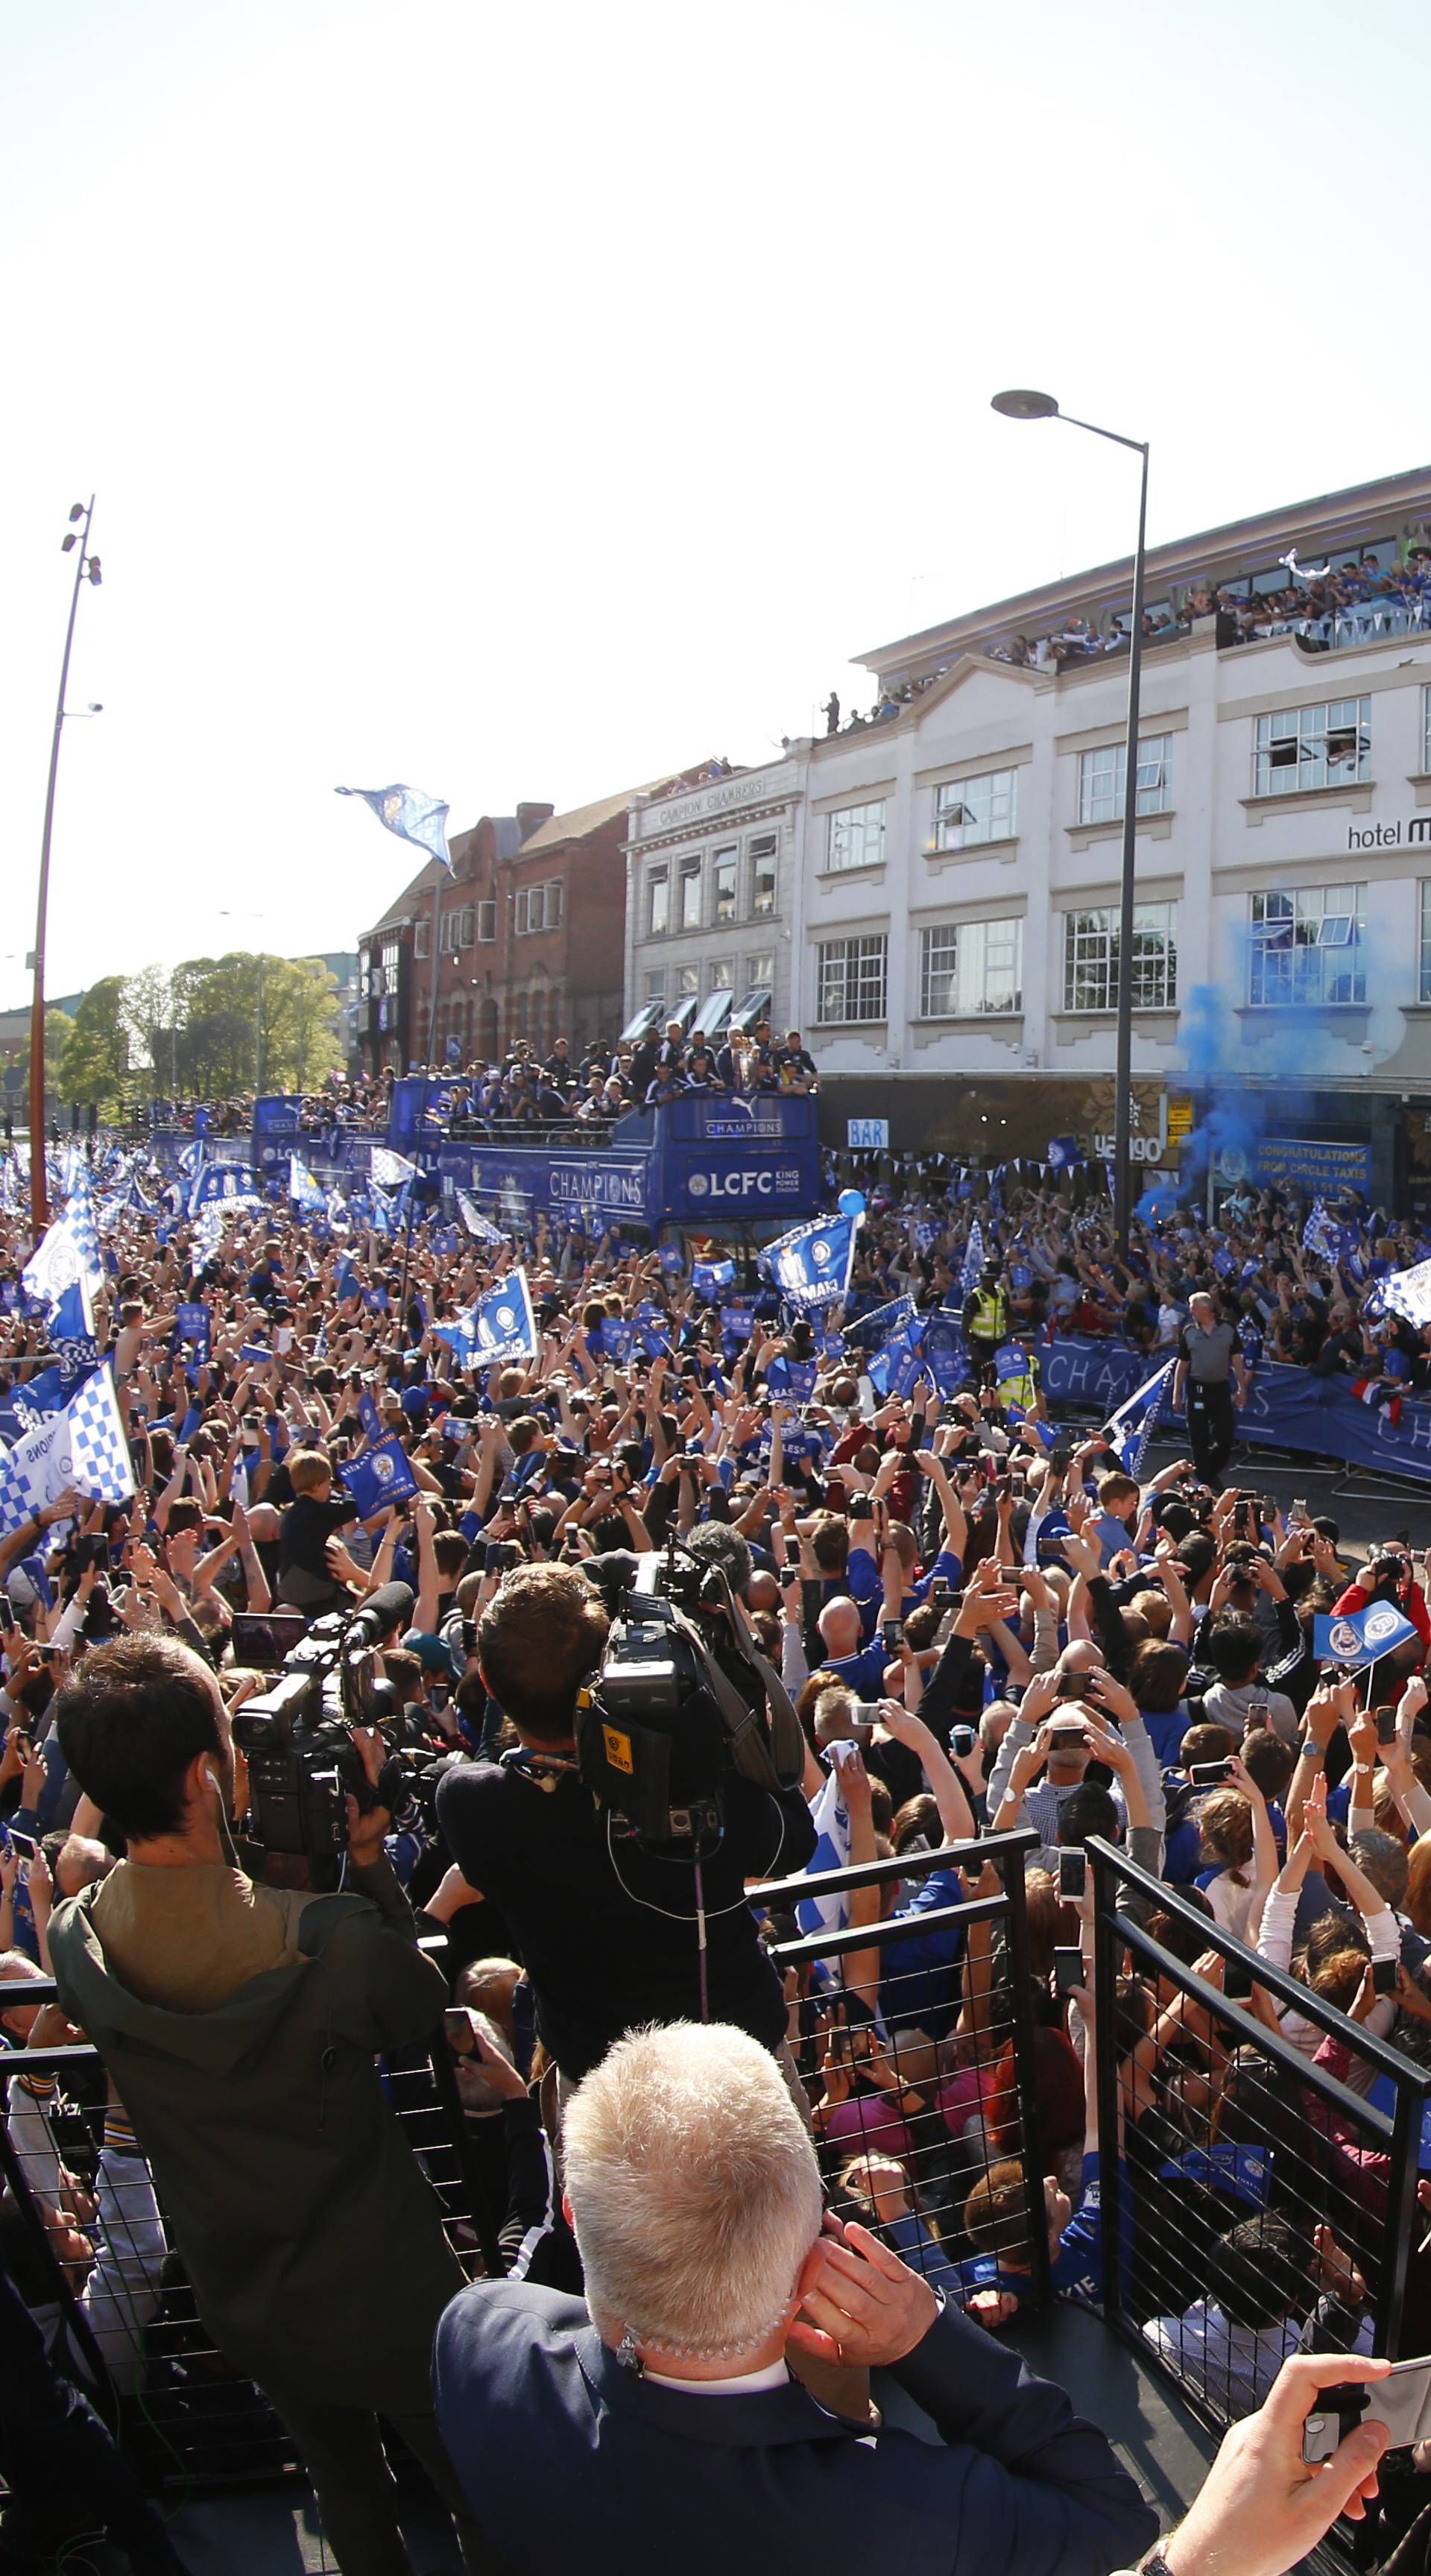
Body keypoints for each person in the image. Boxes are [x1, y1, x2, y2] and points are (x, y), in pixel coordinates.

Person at [45, 1634, 483, 2576]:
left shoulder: (75, 1940)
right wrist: (365, 1863)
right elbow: (410, 2004)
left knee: (347, 2494)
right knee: (475, 2489)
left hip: (244, 2291)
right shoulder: (326, 1938)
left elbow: (193, 1935)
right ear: (209, 1774)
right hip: (389, 2291)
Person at [432, 2019, 1159, 2576]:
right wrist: (927, 2336)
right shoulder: (917, 2516)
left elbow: (518, 2308)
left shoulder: (477, 2342)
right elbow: (1115, 2520)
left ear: (571, 2215)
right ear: (817, 2252)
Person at [436, 1565, 817, 2083]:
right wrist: (734, 1692)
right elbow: (793, 1842)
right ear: (609, 1665)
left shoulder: (470, 1805)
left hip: (598, 2085)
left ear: (486, 1681)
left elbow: (492, 1762)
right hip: (740, 2068)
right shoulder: (700, 1782)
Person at [1172, 1292, 1248, 1487]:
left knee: (1224, 1436)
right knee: (1199, 1436)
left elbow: (1237, 1360)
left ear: (1205, 1309)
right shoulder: (1189, 1331)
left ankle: (1205, 1472)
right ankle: (1209, 1481)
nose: (1190, 1311)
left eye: (1193, 1307)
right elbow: (1182, 1364)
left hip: (1220, 1388)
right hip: (1197, 1388)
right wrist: (1177, 1393)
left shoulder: (1228, 1329)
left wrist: (1242, 1388)